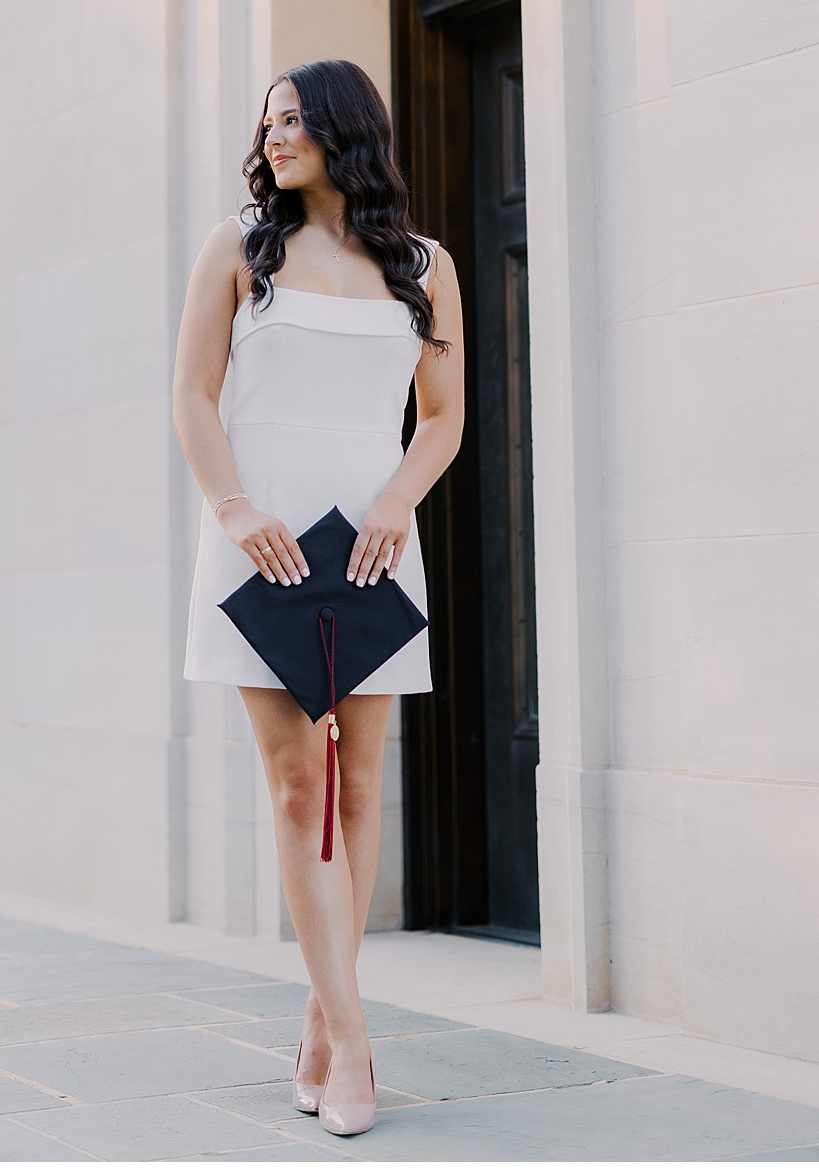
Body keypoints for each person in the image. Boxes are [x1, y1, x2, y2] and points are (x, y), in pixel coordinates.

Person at [173, 59, 464, 1138]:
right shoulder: (238, 252)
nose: (275, 135)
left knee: (361, 783)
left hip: (380, 548)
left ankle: (323, 1012)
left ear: (346, 128)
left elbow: (441, 415)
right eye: (268, 121)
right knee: (300, 787)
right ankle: (352, 1043)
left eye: (293, 118)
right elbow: (192, 396)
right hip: (266, 549)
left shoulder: (423, 265)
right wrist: (234, 507)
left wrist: (397, 499)